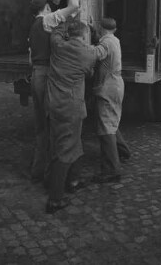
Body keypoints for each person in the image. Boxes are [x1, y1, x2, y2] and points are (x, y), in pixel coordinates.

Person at [45, 19, 108, 214]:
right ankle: (55, 199)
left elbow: (56, 31)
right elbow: (100, 54)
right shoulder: (87, 53)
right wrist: (102, 36)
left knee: (72, 143)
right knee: (64, 150)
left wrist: (69, 18)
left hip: (54, 105)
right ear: (83, 36)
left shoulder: (57, 45)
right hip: (70, 108)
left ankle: (74, 180)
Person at [28, 0, 81, 183]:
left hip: (35, 75)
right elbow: (74, 7)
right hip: (47, 75)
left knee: (41, 127)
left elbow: (30, 58)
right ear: (47, 8)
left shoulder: (32, 26)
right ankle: (54, 176)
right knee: (55, 125)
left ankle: (37, 171)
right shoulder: (48, 20)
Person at [92, 17, 129, 184]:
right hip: (116, 84)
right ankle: (123, 150)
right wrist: (93, 32)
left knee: (106, 125)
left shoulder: (105, 44)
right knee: (112, 120)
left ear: (102, 28)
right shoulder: (114, 40)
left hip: (108, 86)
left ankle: (112, 170)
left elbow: (92, 54)